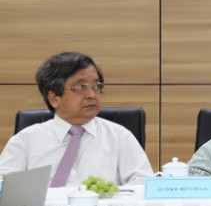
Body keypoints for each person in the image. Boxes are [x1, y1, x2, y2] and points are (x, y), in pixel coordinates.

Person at [0, 52, 153, 186]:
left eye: (96, 86)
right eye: (80, 87)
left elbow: (143, 183)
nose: (91, 95)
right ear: (54, 99)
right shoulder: (25, 141)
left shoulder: (119, 137)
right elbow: (4, 186)